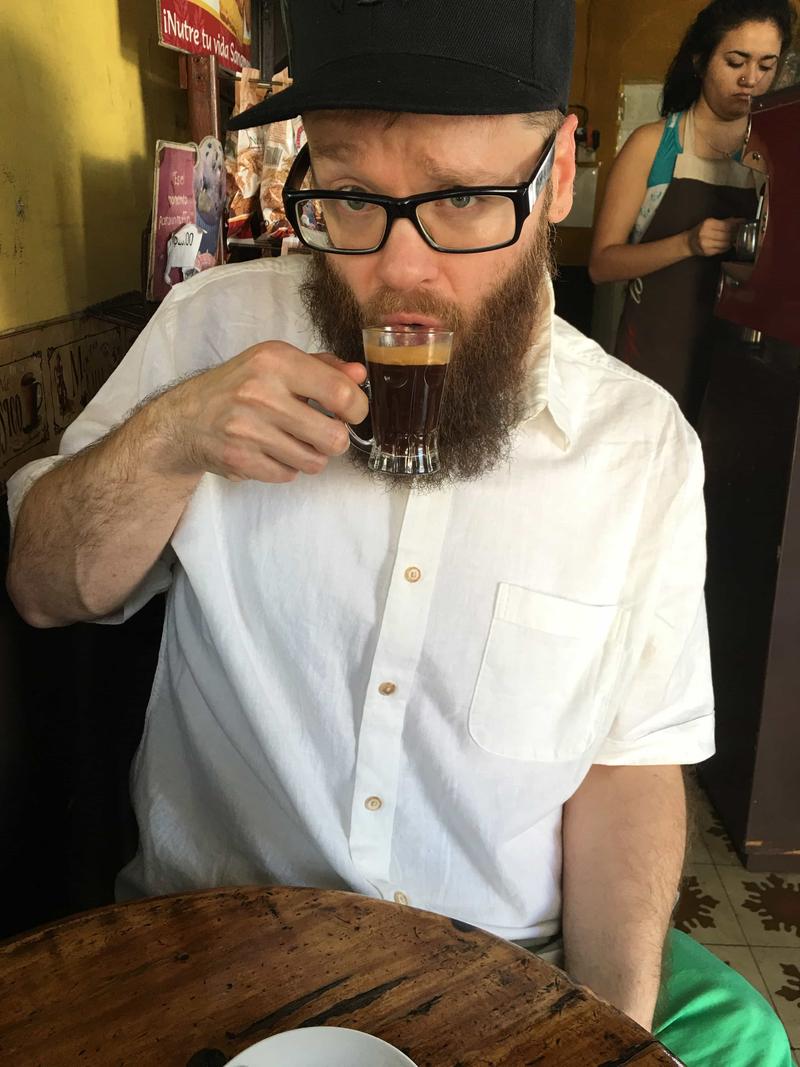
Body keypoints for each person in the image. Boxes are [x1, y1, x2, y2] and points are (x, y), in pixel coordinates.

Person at [5, 2, 792, 1063]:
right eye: (351, 196)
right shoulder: (210, 331)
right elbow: (46, 587)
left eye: (466, 196)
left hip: (499, 980)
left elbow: (628, 767)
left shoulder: (636, 448)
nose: (398, 270)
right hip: (208, 955)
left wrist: (599, 1031)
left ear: (557, 171)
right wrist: (169, 439)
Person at [590, 0, 796, 425]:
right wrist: (688, 242)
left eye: (766, 65)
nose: (750, 80)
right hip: (653, 362)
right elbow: (602, 265)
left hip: (740, 367)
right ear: (701, 62)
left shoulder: (781, 158)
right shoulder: (654, 146)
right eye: (735, 61)